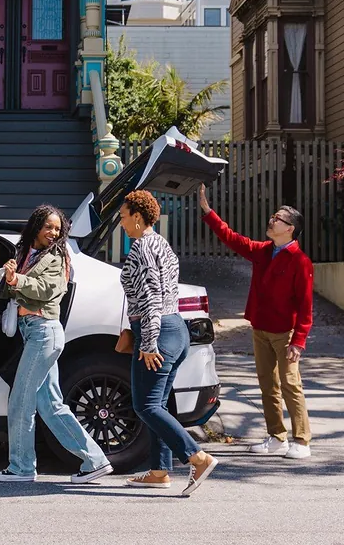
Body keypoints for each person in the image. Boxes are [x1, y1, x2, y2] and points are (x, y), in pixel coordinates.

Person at [0, 204, 113, 485]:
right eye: (48, 227)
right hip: (34, 333)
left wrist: (17, 279)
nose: (53, 232)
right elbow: (16, 289)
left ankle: (21, 468)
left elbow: (47, 289)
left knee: (20, 401)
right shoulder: (26, 254)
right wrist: (10, 275)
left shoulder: (57, 257)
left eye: (57, 229)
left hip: (44, 332)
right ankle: (95, 461)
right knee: (50, 405)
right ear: (36, 226)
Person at [199, 185, 314, 459]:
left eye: (278, 218)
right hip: (260, 328)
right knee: (267, 384)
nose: (272, 220)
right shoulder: (264, 251)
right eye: (274, 216)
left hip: (285, 332)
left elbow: (306, 306)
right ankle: (277, 437)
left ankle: (302, 440)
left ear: (290, 228)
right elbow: (232, 238)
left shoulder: (300, 261)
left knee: (290, 384)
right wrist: (207, 211)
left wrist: (299, 340)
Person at [119, 190, 220, 496]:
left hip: (158, 332)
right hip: (176, 329)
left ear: (138, 217)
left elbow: (150, 297)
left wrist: (148, 342)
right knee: (158, 404)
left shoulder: (142, 248)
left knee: (146, 405)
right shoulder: (161, 243)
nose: (121, 222)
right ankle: (160, 471)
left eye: (123, 216)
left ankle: (198, 457)